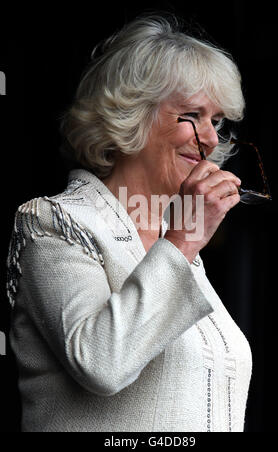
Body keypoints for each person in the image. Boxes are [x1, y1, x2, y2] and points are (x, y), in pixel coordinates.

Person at [6, 14, 252, 432]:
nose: (211, 138)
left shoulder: (174, 245)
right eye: (192, 115)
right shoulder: (55, 222)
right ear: (131, 115)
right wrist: (185, 238)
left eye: (217, 121)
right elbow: (102, 363)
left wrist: (180, 241)